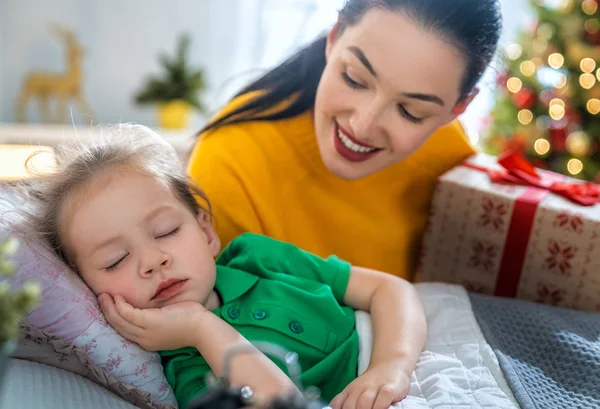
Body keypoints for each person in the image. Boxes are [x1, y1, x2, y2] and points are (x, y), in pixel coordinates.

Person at [16, 125, 426, 409]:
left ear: (207, 232)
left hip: (395, 350)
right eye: (115, 260)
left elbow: (390, 290)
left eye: (166, 230)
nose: (152, 261)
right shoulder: (186, 368)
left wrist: (390, 367)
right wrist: (202, 327)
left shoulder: (257, 257)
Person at [188, 0, 502, 279]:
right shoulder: (231, 158)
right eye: (354, 78)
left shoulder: (448, 152)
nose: (362, 126)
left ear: (458, 107)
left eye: (411, 111)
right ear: (335, 35)